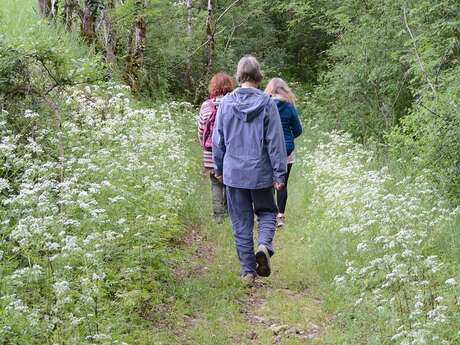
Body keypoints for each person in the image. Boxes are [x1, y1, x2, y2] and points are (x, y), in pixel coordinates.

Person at [212, 56, 287, 285]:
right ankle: (264, 245)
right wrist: (279, 173)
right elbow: (275, 142)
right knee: (266, 212)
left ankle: (247, 271)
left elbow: (218, 140)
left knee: (240, 221)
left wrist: (219, 167)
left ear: (239, 75)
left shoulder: (225, 103)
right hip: (260, 172)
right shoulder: (267, 103)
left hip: (234, 173)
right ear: (258, 75)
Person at [265, 78, 303, 228]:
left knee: (268, 183)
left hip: (268, 151)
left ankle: (269, 215)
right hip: (286, 152)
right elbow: (298, 130)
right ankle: (280, 216)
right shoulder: (289, 107)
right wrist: (287, 139)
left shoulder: (264, 106)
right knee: (283, 184)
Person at [198, 73, 235, 223]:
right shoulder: (234, 103)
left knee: (215, 183)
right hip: (231, 151)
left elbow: (201, 130)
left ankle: (218, 216)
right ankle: (229, 212)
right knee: (229, 182)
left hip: (211, 151)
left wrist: (204, 147)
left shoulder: (206, 106)